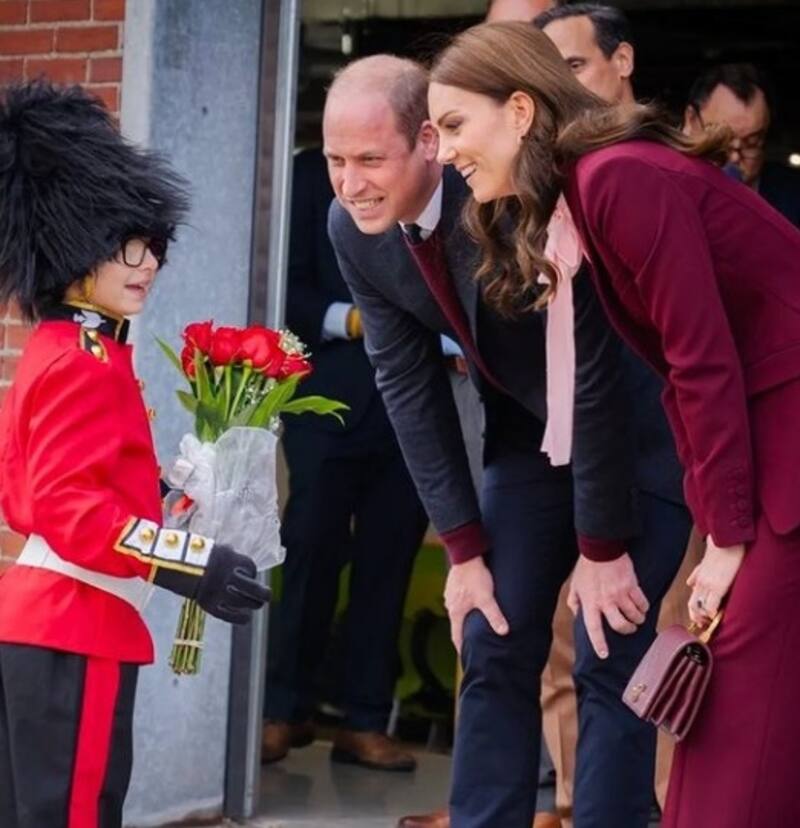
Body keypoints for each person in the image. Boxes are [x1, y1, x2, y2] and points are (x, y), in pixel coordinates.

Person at [428, 21, 800, 828]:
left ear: (521, 111)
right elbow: (671, 379)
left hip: (788, 432)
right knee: (731, 709)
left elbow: (703, 362)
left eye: (455, 126)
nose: (444, 153)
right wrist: (716, 521)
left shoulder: (617, 180)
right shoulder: (583, 197)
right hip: (766, 440)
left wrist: (725, 538)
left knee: (738, 711)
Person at [323, 52, 686, 828]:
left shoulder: (499, 184)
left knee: (605, 648)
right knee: (491, 634)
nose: (350, 183)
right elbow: (406, 384)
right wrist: (461, 548)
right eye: (334, 161)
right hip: (527, 439)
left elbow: (592, 382)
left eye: (369, 160)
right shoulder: (352, 231)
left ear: (429, 141)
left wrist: (601, 546)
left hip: (633, 429)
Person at [0, 81, 270, 828]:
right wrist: (187, 563)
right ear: (74, 245)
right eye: (129, 244)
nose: (148, 263)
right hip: (73, 624)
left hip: (58, 622)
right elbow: (65, 507)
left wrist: (162, 494)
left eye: (154, 245)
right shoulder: (80, 359)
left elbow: (72, 481)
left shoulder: (73, 350)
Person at [534, 3, 699, 820]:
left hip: (679, 466)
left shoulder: (639, 172)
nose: (560, 93)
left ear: (623, 59)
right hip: (603, 467)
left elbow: (687, 355)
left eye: (575, 68)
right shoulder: (570, 187)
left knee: (644, 666)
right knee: (594, 661)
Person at [262, 147, 428, 771]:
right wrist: (354, 321)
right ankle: (285, 710)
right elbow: (283, 281)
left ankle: (364, 721)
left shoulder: (426, 178)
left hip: (413, 408)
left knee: (389, 563)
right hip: (327, 399)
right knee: (308, 547)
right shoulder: (307, 173)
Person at [683, 62, 800, 226]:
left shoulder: (792, 197)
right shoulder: (661, 184)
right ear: (691, 119)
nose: (734, 158)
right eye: (721, 140)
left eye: (752, 143)